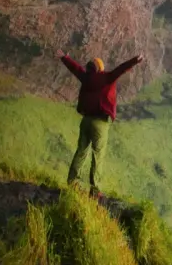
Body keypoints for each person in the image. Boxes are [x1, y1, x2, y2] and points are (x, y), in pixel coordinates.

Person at [56, 49, 145, 199]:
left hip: (86, 121)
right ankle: (95, 190)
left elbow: (75, 68)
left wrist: (64, 57)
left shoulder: (85, 77)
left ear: (90, 67)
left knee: (81, 151)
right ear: (100, 68)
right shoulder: (107, 78)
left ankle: (72, 181)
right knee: (98, 155)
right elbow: (121, 69)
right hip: (100, 123)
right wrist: (135, 60)